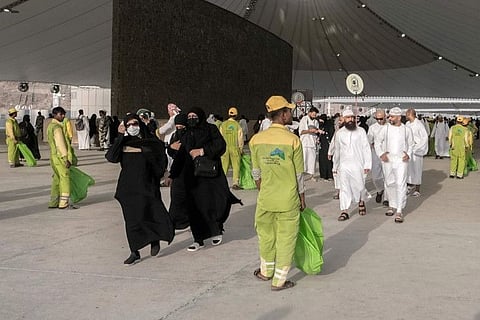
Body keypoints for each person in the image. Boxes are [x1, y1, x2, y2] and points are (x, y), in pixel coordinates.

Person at [249, 96, 305, 291]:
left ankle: (266, 272)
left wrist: (264, 190)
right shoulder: (293, 140)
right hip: (287, 200)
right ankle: (279, 281)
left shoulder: (256, 140)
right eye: (289, 111)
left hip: (265, 199)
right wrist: (302, 198)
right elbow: (299, 176)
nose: (291, 113)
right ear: (282, 115)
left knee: (265, 236)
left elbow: (256, 173)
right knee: (286, 239)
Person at [167, 107, 242, 252]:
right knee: (194, 208)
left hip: (210, 175)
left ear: (200, 116)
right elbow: (181, 155)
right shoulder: (187, 133)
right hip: (192, 177)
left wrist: (202, 151)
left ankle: (216, 230)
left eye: (194, 116)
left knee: (210, 204)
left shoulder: (211, 129)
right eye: (189, 116)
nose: (191, 119)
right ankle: (198, 239)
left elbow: (220, 146)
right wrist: (172, 174)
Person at [106, 113, 174, 265]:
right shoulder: (123, 141)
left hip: (147, 185)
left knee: (149, 213)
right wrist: (120, 136)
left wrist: (146, 154)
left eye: (134, 124)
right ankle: (134, 251)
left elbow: (160, 160)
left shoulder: (149, 141)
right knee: (132, 220)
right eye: (128, 124)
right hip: (128, 188)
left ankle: (154, 240)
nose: (132, 127)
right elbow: (111, 157)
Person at [375, 107, 414, 223]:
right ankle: (391, 205)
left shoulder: (406, 130)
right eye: (389, 116)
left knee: (401, 184)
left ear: (399, 117)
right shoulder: (385, 129)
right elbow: (377, 142)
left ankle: (399, 210)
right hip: (388, 160)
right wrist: (381, 154)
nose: (389, 118)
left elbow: (411, 144)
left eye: (392, 116)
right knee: (389, 182)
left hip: (401, 160)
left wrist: (409, 154)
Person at [332, 109, 371, 221]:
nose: (351, 120)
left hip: (358, 164)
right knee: (344, 188)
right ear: (343, 119)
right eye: (348, 117)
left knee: (360, 186)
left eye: (352, 117)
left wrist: (367, 164)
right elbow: (337, 151)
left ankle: (361, 201)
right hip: (344, 165)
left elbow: (366, 148)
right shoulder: (339, 133)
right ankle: (344, 211)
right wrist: (335, 166)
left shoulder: (361, 131)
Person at [47, 107, 74, 209]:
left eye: (63, 114)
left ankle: (53, 202)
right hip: (60, 157)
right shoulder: (57, 128)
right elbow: (60, 144)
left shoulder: (50, 126)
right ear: (55, 115)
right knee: (64, 178)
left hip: (53, 157)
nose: (63, 116)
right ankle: (63, 202)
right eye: (61, 114)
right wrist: (65, 158)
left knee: (56, 179)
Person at [166, 113, 190, 230]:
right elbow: (170, 153)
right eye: (177, 127)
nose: (179, 129)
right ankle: (175, 222)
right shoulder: (175, 135)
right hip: (177, 171)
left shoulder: (191, 135)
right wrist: (171, 148)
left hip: (190, 171)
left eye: (182, 127)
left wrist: (182, 148)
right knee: (176, 197)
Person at [406, 108, 429, 197]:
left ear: (410, 114)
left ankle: (417, 189)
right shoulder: (407, 124)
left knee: (417, 169)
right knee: (408, 169)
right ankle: (409, 185)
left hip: (416, 150)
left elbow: (424, 137)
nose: (405, 116)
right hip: (408, 150)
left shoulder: (419, 124)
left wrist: (417, 147)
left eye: (406, 114)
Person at [220, 107, 244, 189]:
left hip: (225, 148)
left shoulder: (223, 124)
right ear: (236, 115)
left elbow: (220, 137)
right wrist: (241, 149)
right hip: (234, 148)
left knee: (224, 166)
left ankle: (221, 182)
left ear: (229, 114)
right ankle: (235, 183)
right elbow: (240, 138)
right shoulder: (237, 125)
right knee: (236, 166)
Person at [367, 109, 387, 203]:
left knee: (388, 177)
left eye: (381, 118)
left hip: (387, 155)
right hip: (375, 155)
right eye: (377, 119)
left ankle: (387, 198)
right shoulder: (372, 128)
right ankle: (380, 190)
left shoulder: (389, 127)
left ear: (385, 117)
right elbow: (369, 141)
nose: (379, 120)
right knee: (376, 177)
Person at [298, 107, 321, 180]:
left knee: (312, 161)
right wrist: (310, 130)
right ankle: (301, 176)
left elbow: (316, 131)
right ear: (309, 113)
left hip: (312, 144)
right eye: (313, 114)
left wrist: (317, 134)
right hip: (305, 143)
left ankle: (312, 176)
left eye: (315, 115)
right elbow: (301, 132)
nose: (314, 116)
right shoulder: (304, 119)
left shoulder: (316, 122)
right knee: (303, 160)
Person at [318, 114, 334, 181]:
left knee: (325, 160)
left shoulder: (326, 126)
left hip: (325, 145)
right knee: (327, 160)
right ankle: (328, 174)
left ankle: (325, 175)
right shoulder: (328, 125)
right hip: (326, 145)